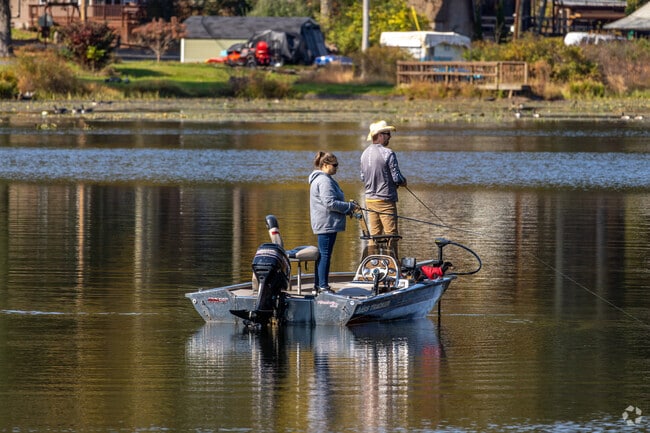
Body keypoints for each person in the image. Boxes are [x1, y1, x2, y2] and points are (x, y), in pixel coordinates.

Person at [309, 152, 358, 293]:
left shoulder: (322, 178)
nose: (337, 168)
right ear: (325, 165)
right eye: (334, 165)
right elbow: (330, 203)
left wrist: (347, 210)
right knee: (325, 255)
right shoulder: (324, 180)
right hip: (326, 223)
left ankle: (318, 285)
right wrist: (349, 207)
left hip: (326, 222)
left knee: (323, 254)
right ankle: (323, 287)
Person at [360, 120, 407, 257]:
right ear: (379, 135)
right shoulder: (388, 153)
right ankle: (393, 268)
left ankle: (371, 265)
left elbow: (363, 177)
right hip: (386, 201)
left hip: (370, 201)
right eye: (387, 134)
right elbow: (397, 177)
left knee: (374, 236)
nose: (390, 136)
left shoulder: (364, 154)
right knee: (391, 236)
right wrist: (403, 182)